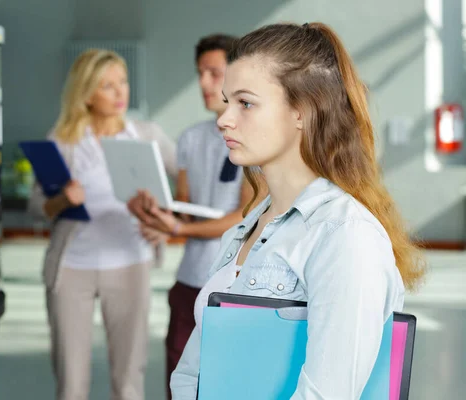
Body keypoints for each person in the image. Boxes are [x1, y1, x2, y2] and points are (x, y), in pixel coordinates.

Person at [169, 22, 426, 399]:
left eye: (245, 103)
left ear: (302, 111)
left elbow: (327, 393)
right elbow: (192, 375)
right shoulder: (243, 230)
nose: (224, 118)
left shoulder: (346, 236)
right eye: (227, 101)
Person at [27, 49, 176, 400]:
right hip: (72, 268)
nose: (120, 92)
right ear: (87, 93)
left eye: (122, 82)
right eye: (107, 85)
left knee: (128, 379)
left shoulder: (146, 134)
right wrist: (65, 199)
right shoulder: (62, 140)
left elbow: (187, 181)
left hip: (130, 263)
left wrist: (168, 222)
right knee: (70, 380)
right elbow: (37, 206)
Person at [126, 34, 255, 399]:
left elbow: (245, 216)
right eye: (200, 73)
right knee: (180, 380)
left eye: (214, 73)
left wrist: (180, 226)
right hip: (188, 282)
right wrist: (155, 214)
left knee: (226, 384)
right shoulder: (190, 139)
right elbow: (183, 203)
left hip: (233, 281)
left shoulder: (256, 138)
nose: (204, 83)